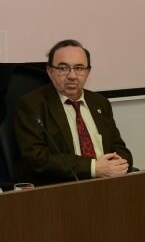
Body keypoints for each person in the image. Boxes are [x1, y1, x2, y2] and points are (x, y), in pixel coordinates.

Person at [14, 39, 133, 185]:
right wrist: (93, 168)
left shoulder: (100, 103)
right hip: (63, 188)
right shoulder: (32, 105)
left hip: (107, 185)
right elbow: (37, 158)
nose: (72, 76)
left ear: (88, 72)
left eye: (79, 68)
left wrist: (117, 164)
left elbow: (119, 147)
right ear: (50, 72)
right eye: (63, 68)